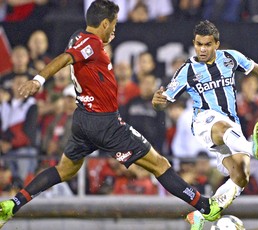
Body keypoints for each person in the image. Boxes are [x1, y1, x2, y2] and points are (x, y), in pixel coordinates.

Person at [0, 2, 235, 228]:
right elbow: (66, 58)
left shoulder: (78, 37)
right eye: (113, 24)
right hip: (105, 123)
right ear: (103, 23)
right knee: (159, 164)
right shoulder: (90, 43)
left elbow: (74, 54)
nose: (114, 29)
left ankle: (13, 204)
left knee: (64, 170)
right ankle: (205, 206)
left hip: (83, 119)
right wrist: (37, 80)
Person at [152, 20, 258, 228]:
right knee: (222, 127)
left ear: (217, 44)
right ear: (194, 43)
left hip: (232, 124)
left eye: (207, 44)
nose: (202, 49)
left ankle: (204, 215)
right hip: (206, 122)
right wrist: (157, 102)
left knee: (242, 174)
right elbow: (163, 102)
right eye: (198, 44)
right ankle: (253, 148)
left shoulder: (231, 58)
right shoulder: (187, 70)